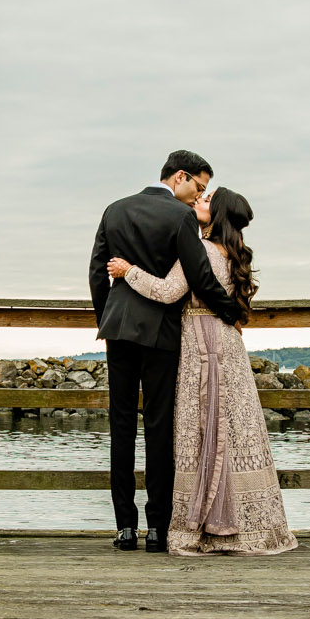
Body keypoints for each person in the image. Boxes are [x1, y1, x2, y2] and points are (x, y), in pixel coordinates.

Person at [106, 187, 297, 557]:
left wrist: (128, 270)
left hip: (201, 342)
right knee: (229, 427)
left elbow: (166, 291)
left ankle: (203, 522)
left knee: (202, 424)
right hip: (227, 343)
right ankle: (240, 520)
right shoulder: (232, 252)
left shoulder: (204, 250)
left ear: (219, 213)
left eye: (207, 200)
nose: (199, 201)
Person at [88, 151, 242, 552]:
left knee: (120, 426)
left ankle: (125, 527)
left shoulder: (114, 209)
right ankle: (156, 528)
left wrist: (109, 316)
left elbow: (96, 271)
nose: (198, 198)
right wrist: (230, 312)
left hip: (119, 328)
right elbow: (200, 276)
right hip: (162, 332)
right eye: (199, 187)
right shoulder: (180, 217)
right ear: (180, 177)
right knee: (159, 428)